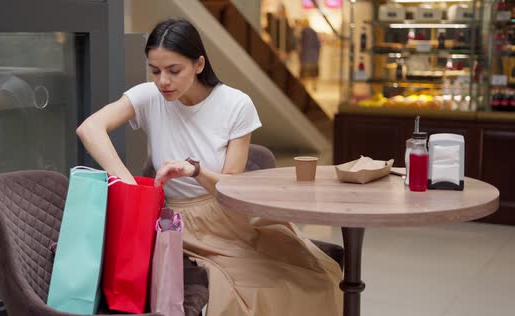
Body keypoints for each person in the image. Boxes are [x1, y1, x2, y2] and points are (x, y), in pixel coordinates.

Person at [76, 18, 342, 316]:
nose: (163, 81)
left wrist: (196, 171)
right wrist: (128, 183)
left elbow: (232, 186)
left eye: (174, 71)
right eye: (155, 71)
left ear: (199, 64)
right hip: (178, 224)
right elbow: (90, 128)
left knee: (315, 278)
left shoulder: (236, 105)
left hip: (229, 218)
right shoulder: (149, 96)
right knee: (247, 295)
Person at [298, 18, 321, 91]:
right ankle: (314, 86)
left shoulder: (302, 32)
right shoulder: (313, 32)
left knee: (304, 74)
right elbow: (318, 45)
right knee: (314, 74)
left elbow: (300, 45)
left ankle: (304, 87)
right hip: (314, 56)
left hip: (305, 57)